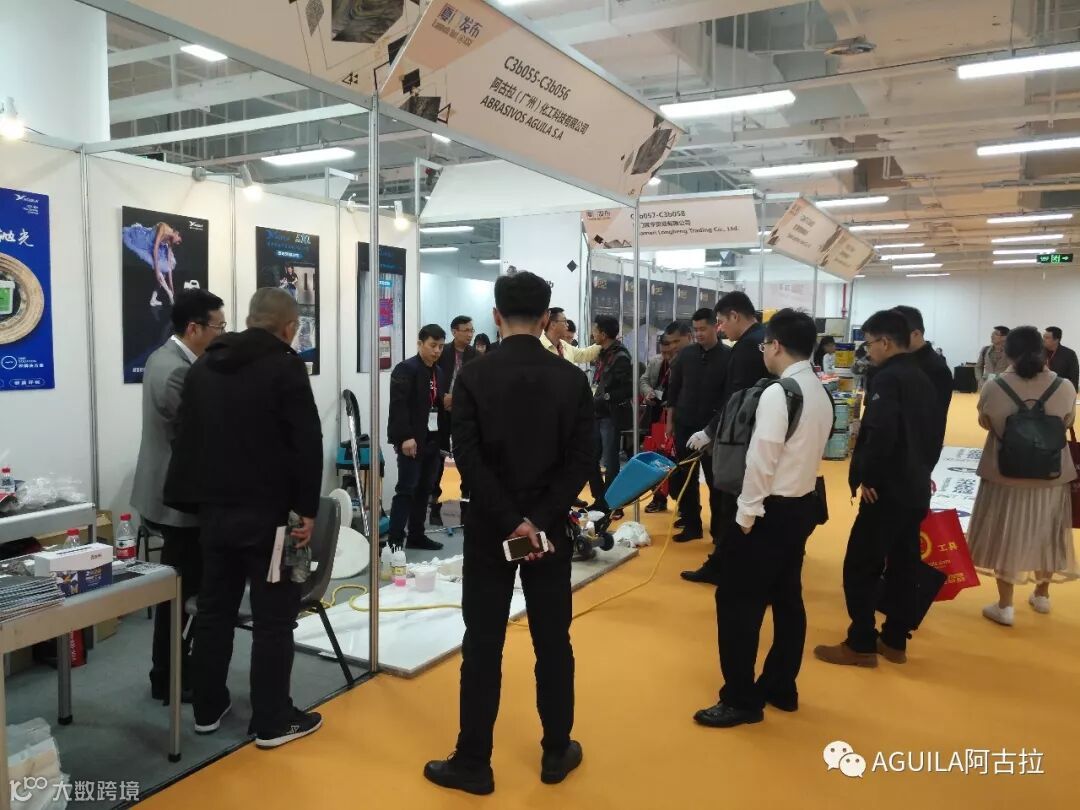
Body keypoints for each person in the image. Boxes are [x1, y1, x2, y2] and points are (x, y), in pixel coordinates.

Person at [424, 271, 594, 796]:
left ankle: (474, 761)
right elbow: (582, 458)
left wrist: (509, 520)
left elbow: (467, 458)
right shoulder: (571, 379)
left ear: (496, 316)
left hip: (488, 528)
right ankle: (556, 750)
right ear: (545, 319)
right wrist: (538, 520)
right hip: (548, 531)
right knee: (553, 641)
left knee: (482, 644)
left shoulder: (472, 376)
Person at [164, 288, 323, 748]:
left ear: (250, 319)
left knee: (214, 610)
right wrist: (307, 511)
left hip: (214, 514)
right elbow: (306, 441)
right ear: (289, 328)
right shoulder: (285, 366)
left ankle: (207, 707)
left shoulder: (204, 366)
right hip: (271, 518)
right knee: (274, 617)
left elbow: (186, 437)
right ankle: (272, 720)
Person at [694, 310, 833, 728]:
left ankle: (740, 698)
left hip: (767, 510)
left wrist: (745, 516)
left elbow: (761, 460)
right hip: (800, 507)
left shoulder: (779, 392)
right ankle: (780, 685)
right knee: (787, 600)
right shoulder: (819, 390)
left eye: (765, 345)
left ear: (775, 345)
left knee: (737, 603)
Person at [814, 310, 940, 668]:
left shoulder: (889, 378)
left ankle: (861, 642)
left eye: (869, 344)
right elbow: (933, 434)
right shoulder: (925, 376)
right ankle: (895, 639)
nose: (867, 351)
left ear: (885, 342)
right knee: (904, 563)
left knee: (861, 564)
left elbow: (881, 432)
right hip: (915, 484)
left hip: (886, 490)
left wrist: (869, 478)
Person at [132, 288, 225, 705]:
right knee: (181, 591)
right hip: (177, 501)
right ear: (194, 328)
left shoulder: (165, 357)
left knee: (181, 587)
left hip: (169, 493)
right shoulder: (176, 371)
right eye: (218, 326)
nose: (222, 334)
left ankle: (172, 671)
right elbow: (193, 438)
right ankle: (168, 676)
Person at [968, 326, 1080, 626]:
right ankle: (1042, 595)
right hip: (1051, 474)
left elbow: (985, 421)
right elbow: (1067, 420)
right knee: (1049, 533)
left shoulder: (994, 387)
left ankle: (1005, 606)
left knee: (1005, 533)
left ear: (1009, 353)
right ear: (1043, 353)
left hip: (1005, 474)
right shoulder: (1065, 387)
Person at [683, 292, 770, 584]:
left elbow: (737, 399)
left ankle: (724, 565)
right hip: (758, 433)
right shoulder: (763, 339)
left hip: (741, 437)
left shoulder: (746, 348)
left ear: (735, 315)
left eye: (720, 322)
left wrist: (710, 431)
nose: (720, 328)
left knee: (731, 501)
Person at [664, 309, 730, 542]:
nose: (699, 333)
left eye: (703, 329)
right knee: (685, 477)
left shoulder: (728, 356)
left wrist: (715, 428)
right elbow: (673, 390)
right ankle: (692, 525)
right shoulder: (686, 355)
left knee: (715, 480)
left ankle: (719, 530)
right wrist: (670, 422)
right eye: (696, 329)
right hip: (684, 425)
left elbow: (730, 396)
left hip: (713, 429)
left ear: (715, 327)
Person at [387, 325, 448, 552]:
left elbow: (436, 404)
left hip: (432, 439)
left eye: (440, 346)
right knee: (406, 489)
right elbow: (399, 406)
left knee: (425, 489)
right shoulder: (405, 369)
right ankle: (395, 539)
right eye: (433, 345)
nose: (437, 351)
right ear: (420, 343)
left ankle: (416, 535)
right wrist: (404, 437)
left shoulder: (438, 372)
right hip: (411, 440)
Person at [429, 316, 477, 527]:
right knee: (437, 461)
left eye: (471, 330)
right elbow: (432, 380)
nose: (470, 334)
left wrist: (456, 399)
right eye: (466, 330)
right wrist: (443, 399)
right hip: (440, 413)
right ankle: (435, 508)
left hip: (464, 413)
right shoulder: (443, 352)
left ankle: (466, 510)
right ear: (454, 331)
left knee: (465, 458)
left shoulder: (476, 356)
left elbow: (478, 386)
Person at [641, 321, 692, 514]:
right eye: (663, 352)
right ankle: (658, 498)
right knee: (657, 459)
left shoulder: (687, 363)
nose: (667, 356)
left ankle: (684, 504)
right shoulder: (656, 362)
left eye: (670, 352)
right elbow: (643, 380)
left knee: (678, 463)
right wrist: (648, 392)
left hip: (679, 419)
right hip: (656, 417)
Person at [587, 315, 633, 518]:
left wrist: (605, 397)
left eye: (595, 330)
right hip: (597, 412)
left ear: (604, 334)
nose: (593, 334)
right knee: (591, 457)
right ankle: (600, 499)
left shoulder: (620, 356)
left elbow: (627, 389)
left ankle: (613, 503)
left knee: (610, 461)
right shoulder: (603, 353)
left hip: (610, 415)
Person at [892, 305, 952, 460]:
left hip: (915, 453)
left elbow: (932, 418)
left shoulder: (935, 368)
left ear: (916, 334)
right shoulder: (900, 360)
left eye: (896, 335)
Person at [122, 220, 182, 306]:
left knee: (164, 270)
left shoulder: (170, 240)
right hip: (145, 242)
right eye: (179, 241)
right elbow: (155, 249)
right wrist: (157, 272)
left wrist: (171, 285)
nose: (178, 243)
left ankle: (153, 299)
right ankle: (170, 295)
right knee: (159, 270)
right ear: (176, 233)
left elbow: (168, 265)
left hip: (155, 248)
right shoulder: (163, 227)